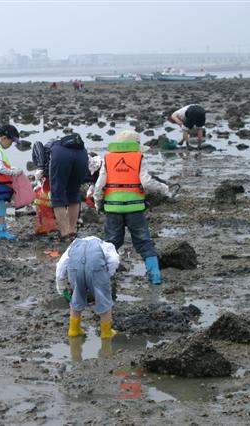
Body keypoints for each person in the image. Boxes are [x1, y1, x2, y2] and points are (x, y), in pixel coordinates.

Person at [93, 130, 168, 285]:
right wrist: (163, 188)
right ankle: (155, 275)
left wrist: (98, 203)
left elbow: (99, 185)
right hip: (135, 209)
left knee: (110, 243)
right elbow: (146, 182)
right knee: (144, 242)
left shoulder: (108, 159)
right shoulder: (139, 158)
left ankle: (104, 276)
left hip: (113, 209)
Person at [55, 235, 120, 338]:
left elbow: (61, 264)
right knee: (103, 298)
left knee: (76, 297)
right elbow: (114, 260)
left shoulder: (73, 245)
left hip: (75, 270)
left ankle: (74, 329)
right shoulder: (105, 245)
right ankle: (106, 332)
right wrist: (108, 274)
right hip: (96, 270)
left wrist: (61, 285)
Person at [48, 133, 89, 241]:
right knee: (74, 193)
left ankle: (64, 233)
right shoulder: (77, 146)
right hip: (82, 154)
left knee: (57, 195)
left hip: (60, 156)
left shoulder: (51, 147)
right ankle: (72, 231)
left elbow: (45, 166)